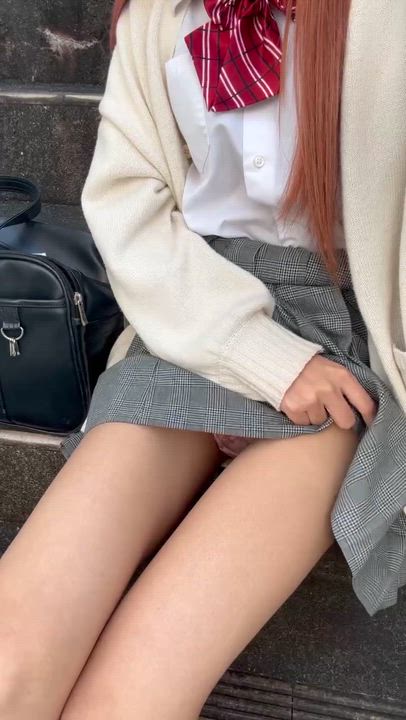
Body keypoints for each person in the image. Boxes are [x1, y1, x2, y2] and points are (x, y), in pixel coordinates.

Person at [1, 1, 405, 718]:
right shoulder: (165, 13)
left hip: (350, 341)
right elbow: (128, 205)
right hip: (194, 313)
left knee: (127, 705)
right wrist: (256, 354)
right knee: (9, 668)